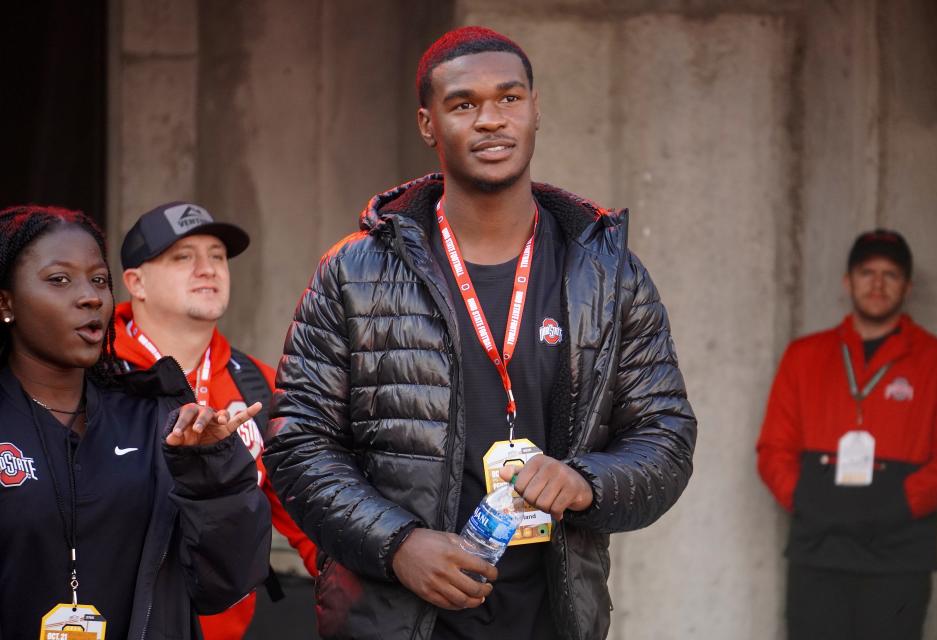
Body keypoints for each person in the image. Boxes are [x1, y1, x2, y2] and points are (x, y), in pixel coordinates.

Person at [265, 26, 697, 640]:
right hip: (393, 620)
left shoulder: (607, 274)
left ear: (536, 108)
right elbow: (296, 443)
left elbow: (667, 437)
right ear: (427, 124)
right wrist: (399, 545)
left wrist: (585, 482)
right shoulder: (354, 271)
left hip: (554, 619)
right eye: (464, 104)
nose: (491, 120)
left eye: (509, 98)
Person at [0, 205, 271, 639]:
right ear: (5, 302)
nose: (90, 296)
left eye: (98, 280)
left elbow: (226, 582)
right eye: (59, 280)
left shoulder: (155, 417)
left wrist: (213, 474)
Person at [115, 201, 318, 639]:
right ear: (136, 281)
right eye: (183, 256)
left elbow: (309, 521)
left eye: (218, 256)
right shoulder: (91, 374)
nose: (207, 268)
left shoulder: (260, 387)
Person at [756, 229, 937, 640]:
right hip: (819, 548)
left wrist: (896, 502)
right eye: (867, 272)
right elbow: (773, 449)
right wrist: (806, 500)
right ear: (848, 281)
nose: (878, 284)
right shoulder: (805, 356)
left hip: (900, 553)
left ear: (908, 286)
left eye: (891, 274)